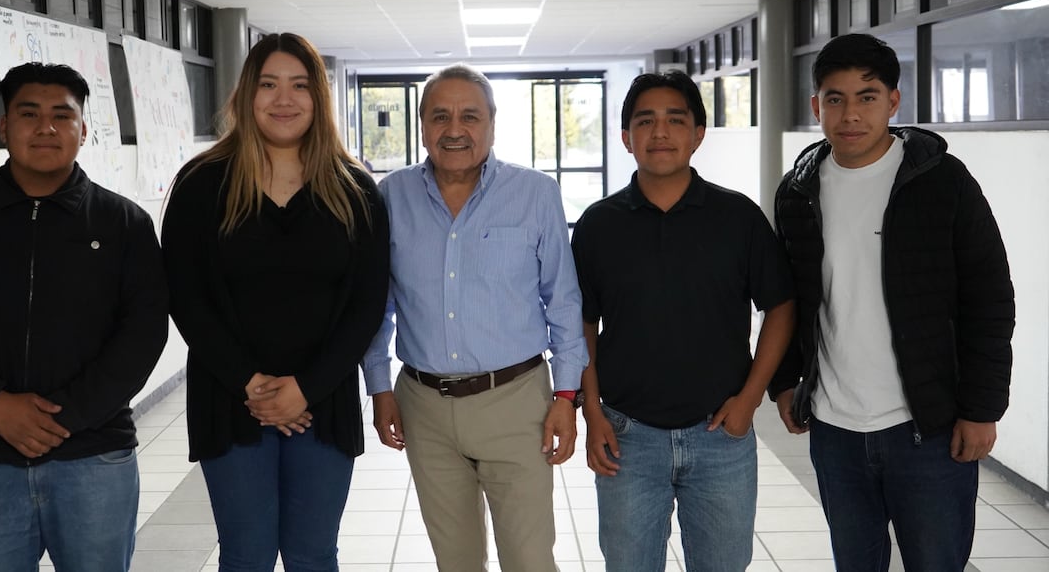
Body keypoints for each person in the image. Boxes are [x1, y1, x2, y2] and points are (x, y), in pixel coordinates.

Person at [0, 62, 168, 572]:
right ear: (4, 127)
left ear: (83, 130)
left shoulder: (123, 223)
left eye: (62, 116)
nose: (46, 128)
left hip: (93, 457)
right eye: (29, 114)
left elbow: (144, 331)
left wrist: (67, 416)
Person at [770, 33, 1015, 571]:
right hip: (835, 429)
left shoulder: (942, 181)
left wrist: (981, 409)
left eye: (868, 96)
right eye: (835, 99)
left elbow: (990, 299)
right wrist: (786, 381)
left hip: (927, 428)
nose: (850, 115)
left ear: (893, 102)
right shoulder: (798, 192)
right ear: (816, 106)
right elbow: (791, 297)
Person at [162, 32, 389, 572]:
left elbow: (367, 304)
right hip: (231, 399)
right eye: (268, 84)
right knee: (247, 556)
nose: (283, 99)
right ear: (247, 94)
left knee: (313, 554)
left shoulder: (354, 189)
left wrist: (306, 388)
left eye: (299, 85)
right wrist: (253, 385)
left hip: (323, 402)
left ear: (319, 98)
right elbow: (186, 296)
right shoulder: (202, 184)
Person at [360, 63, 588, 572]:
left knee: (529, 560)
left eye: (470, 116)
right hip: (424, 406)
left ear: (492, 124)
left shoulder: (535, 193)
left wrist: (566, 396)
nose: (455, 129)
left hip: (516, 403)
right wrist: (379, 388)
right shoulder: (391, 196)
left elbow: (564, 301)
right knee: (456, 561)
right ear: (422, 124)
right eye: (440, 116)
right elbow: (378, 303)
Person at [570, 71, 795, 571]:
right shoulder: (598, 225)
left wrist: (749, 400)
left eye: (675, 120)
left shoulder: (738, 217)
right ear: (626, 137)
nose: (660, 132)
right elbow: (581, 325)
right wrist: (593, 414)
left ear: (697, 134)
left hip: (721, 436)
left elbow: (781, 307)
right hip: (627, 435)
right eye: (645, 121)